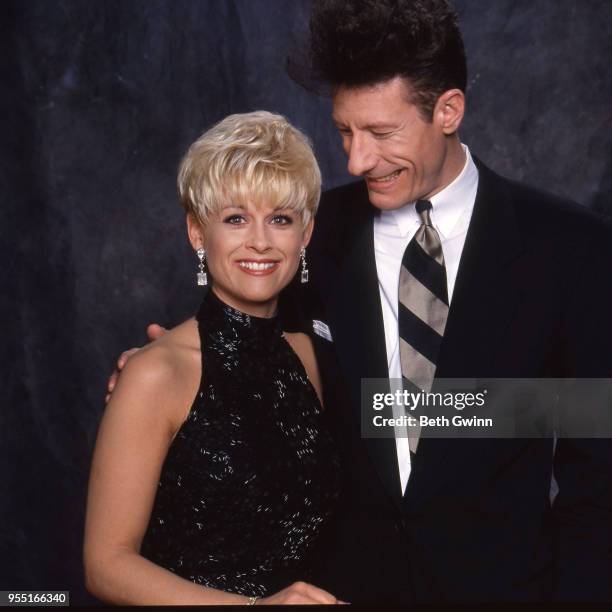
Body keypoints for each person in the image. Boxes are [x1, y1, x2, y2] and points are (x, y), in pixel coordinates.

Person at [109, 0, 612, 603]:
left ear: (447, 110)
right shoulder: (312, 235)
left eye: (380, 132)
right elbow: (252, 353)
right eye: (345, 131)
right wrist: (160, 372)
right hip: (341, 592)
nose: (355, 160)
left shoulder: (569, 247)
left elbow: (595, 472)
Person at [84, 111, 343, 605]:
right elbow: (105, 565)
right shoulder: (155, 372)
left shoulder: (312, 356)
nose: (261, 241)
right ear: (198, 233)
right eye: (236, 218)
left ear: (305, 235)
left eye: (281, 219)